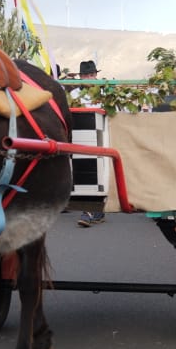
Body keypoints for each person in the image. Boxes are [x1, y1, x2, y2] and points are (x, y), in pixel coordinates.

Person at [74, 60, 107, 227]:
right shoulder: (73, 95)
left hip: (102, 139)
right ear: (80, 77)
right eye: (86, 75)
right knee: (85, 173)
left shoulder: (106, 93)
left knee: (101, 174)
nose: (90, 77)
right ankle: (87, 211)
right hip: (81, 138)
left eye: (92, 74)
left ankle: (97, 210)